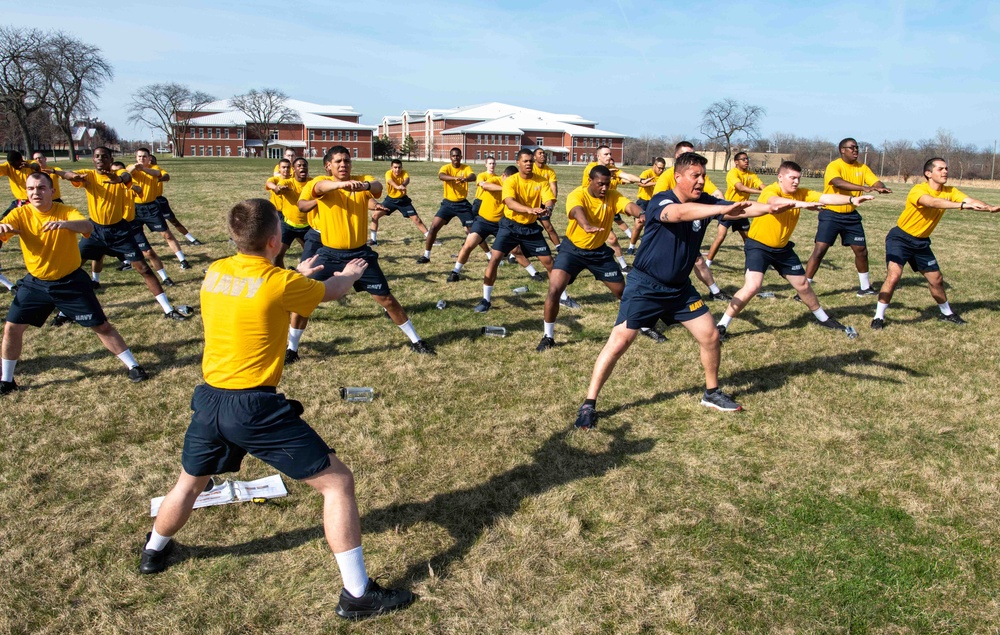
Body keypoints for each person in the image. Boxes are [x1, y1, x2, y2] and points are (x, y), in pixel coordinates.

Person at [138, 198, 414, 620]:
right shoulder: (280, 284)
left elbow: (255, 286)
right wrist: (349, 273)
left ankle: (153, 552)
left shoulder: (215, 271)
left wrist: (294, 274)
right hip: (253, 407)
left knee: (189, 484)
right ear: (274, 240)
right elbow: (332, 291)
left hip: (209, 398)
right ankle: (358, 595)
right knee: (337, 483)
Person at [572, 152, 795, 428]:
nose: (701, 181)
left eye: (703, 176)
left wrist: (773, 208)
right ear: (678, 177)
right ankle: (589, 404)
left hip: (679, 289)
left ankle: (711, 393)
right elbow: (678, 214)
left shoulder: (706, 202)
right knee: (619, 342)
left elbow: (743, 208)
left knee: (711, 335)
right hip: (646, 286)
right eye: (695, 176)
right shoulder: (661, 200)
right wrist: (721, 209)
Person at [0, 172, 148, 395]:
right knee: (12, 328)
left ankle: (133, 366)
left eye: (41, 188)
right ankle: (7, 380)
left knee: (102, 326)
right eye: (30, 189)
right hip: (36, 284)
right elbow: (2, 229)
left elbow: (87, 226)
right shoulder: (19, 214)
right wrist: (2, 229)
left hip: (70, 281)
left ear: (52, 191)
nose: (35, 193)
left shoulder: (65, 210)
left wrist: (65, 225)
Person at [287, 146, 434, 361]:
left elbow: (376, 186)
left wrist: (363, 186)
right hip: (328, 253)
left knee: (386, 299)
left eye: (346, 160)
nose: (343, 164)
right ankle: (292, 350)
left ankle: (416, 341)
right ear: (328, 165)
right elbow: (320, 187)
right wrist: (341, 185)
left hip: (360, 255)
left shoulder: (361, 180)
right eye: (338, 161)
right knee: (304, 300)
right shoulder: (319, 182)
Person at [715, 161, 873, 340]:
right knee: (752, 286)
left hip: (782, 249)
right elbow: (776, 203)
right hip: (758, 246)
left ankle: (823, 318)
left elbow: (825, 198)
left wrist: (851, 199)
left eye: (798, 178)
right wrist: (804, 204)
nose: (796, 182)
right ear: (780, 177)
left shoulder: (801, 193)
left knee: (803, 285)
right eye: (792, 178)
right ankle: (721, 325)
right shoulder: (771, 191)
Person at [538, 165, 667, 351]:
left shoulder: (612, 195)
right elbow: (576, 210)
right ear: (590, 181)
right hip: (572, 250)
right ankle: (548, 337)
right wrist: (586, 225)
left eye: (607, 184)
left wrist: (642, 214)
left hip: (599, 253)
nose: (605, 188)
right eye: (600, 184)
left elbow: (628, 205)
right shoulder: (578, 194)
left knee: (623, 293)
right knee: (554, 290)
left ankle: (645, 325)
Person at [56, 147, 189, 320]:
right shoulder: (88, 175)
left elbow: (125, 177)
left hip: (119, 230)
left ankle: (168, 309)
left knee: (143, 268)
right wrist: (62, 173)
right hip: (95, 231)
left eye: (104, 157)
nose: (100, 159)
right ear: (93, 160)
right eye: (97, 156)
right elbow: (68, 173)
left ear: (111, 160)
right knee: (72, 268)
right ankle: (63, 312)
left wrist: (116, 178)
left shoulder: (122, 176)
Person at [871, 157, 1000, 329]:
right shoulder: (918, 190)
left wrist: (988, 207)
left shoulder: (950, 190)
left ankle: (947, 314)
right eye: (940, 169)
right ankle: (878, 317)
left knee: (936, 279)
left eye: (946, 168)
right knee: (894, 275)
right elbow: (932, 202)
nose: (945, 171)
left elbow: (970, 200)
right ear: (928, 174)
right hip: (900, 238)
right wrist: (960, 206)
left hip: (921, 242)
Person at [473, 149, 577, 313]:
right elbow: (509, 202)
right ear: (518, 163)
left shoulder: (541, 181)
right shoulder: (511, 181)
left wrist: (548, 208)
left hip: (530, 229)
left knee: (550, 262)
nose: (529, 164)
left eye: (530, 161)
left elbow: (548, 199)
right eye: (526, 161)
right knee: (494, 259)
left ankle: (563, 297)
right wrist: (529, 209)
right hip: (510, 226)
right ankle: (486, 300)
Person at [804, 138, 892, 295]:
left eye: (857, 147)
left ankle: (865, 288)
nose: (855, 150)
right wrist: (863, 188)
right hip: (830, 214)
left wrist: (881, 187)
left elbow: (875, 182)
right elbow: (838, 183)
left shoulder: (862, 167)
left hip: (851, 216)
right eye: (852, 148)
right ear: (842, 150)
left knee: (861, 251)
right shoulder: (834, 166)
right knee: (820, 250)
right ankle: (803, 289)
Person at [651, 141, 732, 301]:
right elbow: (661, 204)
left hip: (689, 225)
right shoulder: (668, 176)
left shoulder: (698, 175)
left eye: (692, 154)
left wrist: (719, 206)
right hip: (670, 227)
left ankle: (714, 292)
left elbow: (716, 193)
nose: (690, 158)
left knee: (697, 261)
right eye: (685, 154)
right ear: (677, 157)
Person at [446, 164, 543, 283]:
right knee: (469, 244)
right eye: (509, 180)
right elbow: (485, 185)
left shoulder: (516, 185)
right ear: (503, 176)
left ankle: (534, 273)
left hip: (502, 224)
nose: (511, 182)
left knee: (516, 250)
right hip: (483, 221)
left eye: (513, 180)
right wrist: (506, 189)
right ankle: (455, 272)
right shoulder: (495, 180)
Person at [581, 145, 653, 271]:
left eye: (610, 154)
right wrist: (610, 174)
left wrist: (641, 180)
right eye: (606, 154)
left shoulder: (612, 169)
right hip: (591, 209)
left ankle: (623, 266)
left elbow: (626, 176)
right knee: (594, 240)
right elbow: (598, 176)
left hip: (607, 207)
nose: (609, 156)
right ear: (598, 156)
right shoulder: (591, 168)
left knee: (612, 238)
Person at [126, 148, 192, 270]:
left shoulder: (154, 168)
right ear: (136, 158)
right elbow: (127, 172)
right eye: (139, 156)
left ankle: (182, 260)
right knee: (133, 235)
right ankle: (128, 261)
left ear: (149, 158)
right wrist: (136, 167)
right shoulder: (132, 167)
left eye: (144, 156)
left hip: (151, 207)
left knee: (167, 234)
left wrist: (144, 169)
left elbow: (158, 174)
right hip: (135, 208)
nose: (142, 159)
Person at [417, 147, 481, 263]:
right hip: (447, 204)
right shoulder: (446, 167)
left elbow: (473, 177)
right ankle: (426, 256)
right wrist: (455, 178)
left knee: (474, 231)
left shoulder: (466, 168)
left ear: (461, 157)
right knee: (433, 227)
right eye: (453, 156)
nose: (456, 158)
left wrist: (465, 179)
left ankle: (489, 255)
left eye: (458, 156)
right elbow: (441, 176)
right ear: (450, 157)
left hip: (462, 204)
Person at [704, 151, 762, 266]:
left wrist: (767, 191)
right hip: (729, 208)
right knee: (721, 237)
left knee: (748, 240)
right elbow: (740, 188)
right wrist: (761, 192)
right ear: (736, 162)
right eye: (743, 159)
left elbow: (761, 185)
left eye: (747, 159)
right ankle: (707, 263)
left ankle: (752, 263)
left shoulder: (751, 175)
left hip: (742, 211)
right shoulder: (732, 173)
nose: (746, 161)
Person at [265, 157, 312, 268]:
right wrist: (279, 189)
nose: (302, 167)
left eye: (304, 165)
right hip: (287, 225)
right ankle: (282, 279)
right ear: (294, 169)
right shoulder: (287, 182)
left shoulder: (312, 182)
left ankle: (303, 277)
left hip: (307, 226)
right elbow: (277, 187)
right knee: (278, 256)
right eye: (299, 166)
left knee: (311, 257)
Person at [369, 158, 429, 245]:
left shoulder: (404, 173)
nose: (397, 169)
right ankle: (373, 241)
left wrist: (403, 185)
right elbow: (390, 181)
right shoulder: (388, 173)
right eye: (395, 167)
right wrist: (397, 187)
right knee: (375, 216)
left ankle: (430, 238)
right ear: (391, 168)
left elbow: (407, 179)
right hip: (390, 200)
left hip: (403, 201)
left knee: (416, 219)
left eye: (399, 167)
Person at [150, 155, 203, 245]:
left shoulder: (158, 170)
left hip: (159, 200)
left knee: (173, 221)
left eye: (153, 161)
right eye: (150, 161)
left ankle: (192, 239)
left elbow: (166, 176)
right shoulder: (140, 173)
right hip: (145, 203)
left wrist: (159, 179)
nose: (151, 163)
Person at [626, 157, 665, 254]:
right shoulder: (647, 173)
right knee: (639, 224)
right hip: (643, 202)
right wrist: (655, 183)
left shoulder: (664, 176)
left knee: (656, 226)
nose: (661, 170)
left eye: (662, 168)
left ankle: (649, 248)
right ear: (654, 166)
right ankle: (631, 247)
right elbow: (640, 184)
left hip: (656, 203)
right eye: (659, 168)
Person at [532, 148, 562, 246]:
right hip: (530, 202)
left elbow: (553, 188)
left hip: (543, 204)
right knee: (523, 228)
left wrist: (551, 205)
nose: (543, 155)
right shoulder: (530, 168)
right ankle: (513, 254)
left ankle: (559, 248)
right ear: (534, 157)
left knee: (548, 227)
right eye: (540, 153)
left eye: (544, 153)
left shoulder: (550, 171)